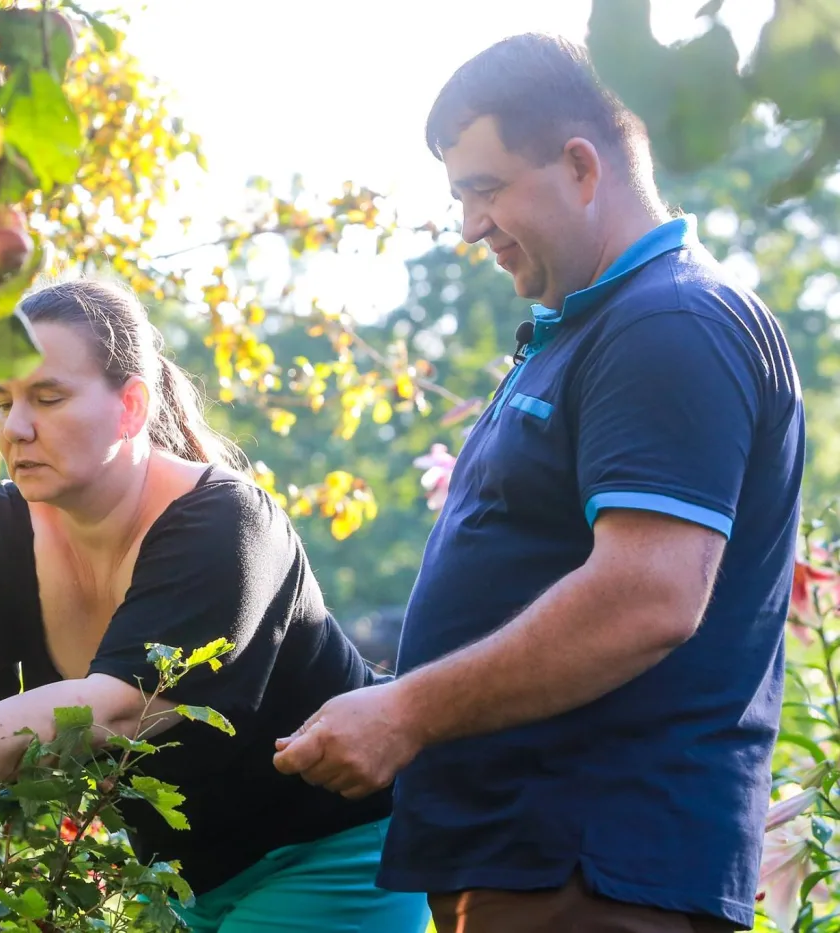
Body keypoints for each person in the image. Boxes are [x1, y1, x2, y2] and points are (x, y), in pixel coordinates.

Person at [273, 33, 804, 932]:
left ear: (582, 166)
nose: (470, 226)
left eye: (486, 189)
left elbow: (649, 594)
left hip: (596, 871)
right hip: (537, 868)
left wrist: (406, 709)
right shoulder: (593, 327)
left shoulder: (670, 322)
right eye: (460, 197)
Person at [0, 279, 431, 932]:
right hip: (180, 883)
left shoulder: (226, 523)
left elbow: (118, 710)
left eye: (47, 397)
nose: (16, 427)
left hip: (331, 853)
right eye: (2, 400)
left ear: (131, 407)